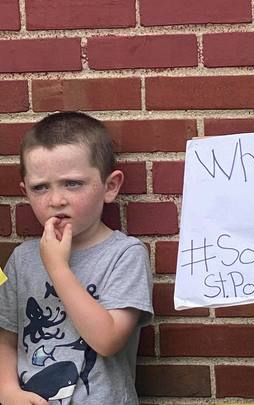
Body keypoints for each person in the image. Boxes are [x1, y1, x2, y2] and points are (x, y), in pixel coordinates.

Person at [0, 112, 153, 405]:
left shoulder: (125, 255)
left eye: (72, 184)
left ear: (110, 187)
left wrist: (57, 267)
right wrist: (7, 390)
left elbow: (107, 340)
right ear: (25, 192)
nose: (56, 199)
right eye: (40, 187)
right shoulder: (22, 259)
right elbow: (6, 336)